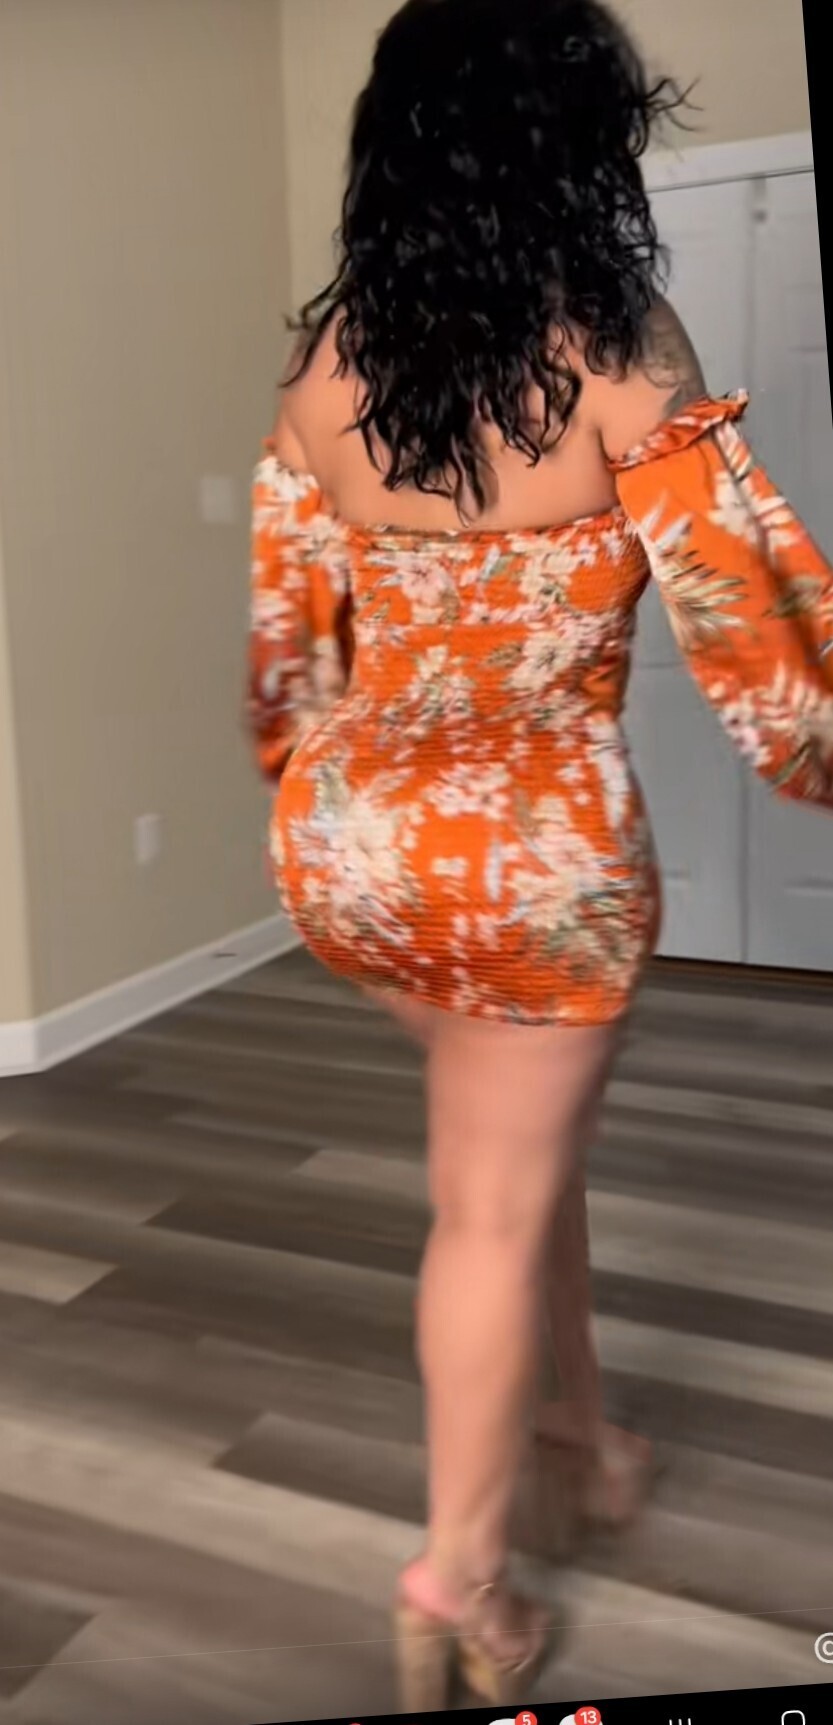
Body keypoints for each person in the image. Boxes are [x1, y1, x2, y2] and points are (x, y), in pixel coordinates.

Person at [247, 0, 833, 1706]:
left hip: (350, 842)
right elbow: (761, 648)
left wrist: (320, 782)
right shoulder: (617, 343)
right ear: (574, 144)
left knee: (512, 1146)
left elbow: (288, 650)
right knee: (490, 1208)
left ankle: (580, 1427)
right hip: (534, 854)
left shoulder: (329, 361)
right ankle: (463, 1579)